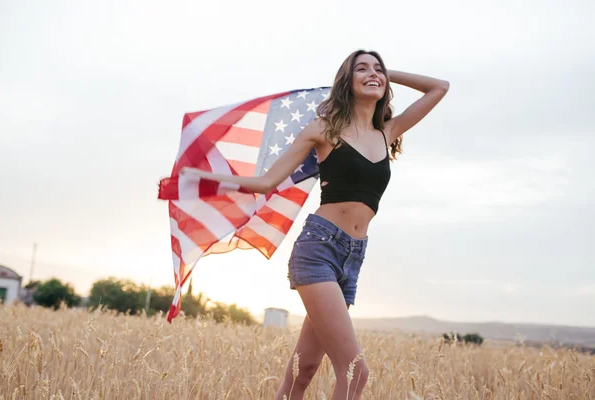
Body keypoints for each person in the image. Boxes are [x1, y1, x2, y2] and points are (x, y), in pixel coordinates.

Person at [181, 49, 449, 399]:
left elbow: (439, 87)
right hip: (318, 249)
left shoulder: (388, 131)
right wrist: (199, 176)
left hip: (353, 257)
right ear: (346, 82)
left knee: (302, 371)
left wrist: (385, 72)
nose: (373, 74)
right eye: (361, 70)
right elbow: (266, 182)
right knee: (355, 373)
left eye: (377, 69)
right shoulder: (323, 131)